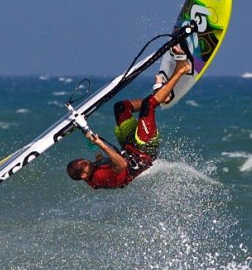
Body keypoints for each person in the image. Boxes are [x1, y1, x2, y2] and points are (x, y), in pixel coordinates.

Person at [66, 49, 193, 189]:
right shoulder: (99, 178)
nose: (86, 162)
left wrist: (85, 132)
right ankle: (182, 68)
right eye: (84, 164)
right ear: (83, 175)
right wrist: (102, 145)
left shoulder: (89, 171)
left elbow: (100, 159)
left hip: (130, 148)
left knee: (120, 107)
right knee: (148, 105)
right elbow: (122, 165)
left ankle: (161, 97)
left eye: (83, 160)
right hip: (145, 152)